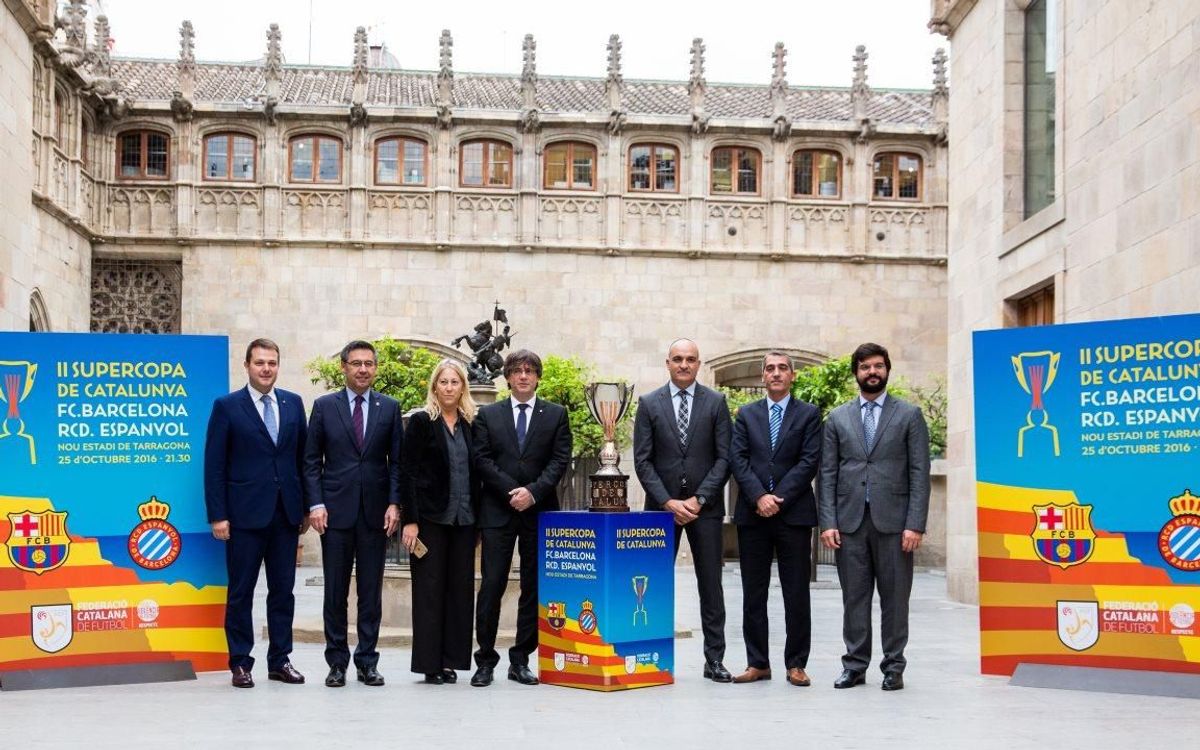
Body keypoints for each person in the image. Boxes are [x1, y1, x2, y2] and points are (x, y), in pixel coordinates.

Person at [818, 342, 930, 691]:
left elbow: (919, 472)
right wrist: (828, 522)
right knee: (855, 598)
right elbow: (827, 474)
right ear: (856, 373)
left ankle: (893, 667)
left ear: (887, 370)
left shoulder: (909, 415)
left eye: (878, 366)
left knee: (895, 600)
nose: (872, 372)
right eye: (865, 367)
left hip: (896, 525)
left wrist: (915, 523)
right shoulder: (837, 418)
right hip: (850, 523)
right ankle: (854, 665)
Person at [204, 338, 307, 689]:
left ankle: (280, 660)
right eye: (260, 362)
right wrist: (218, 515)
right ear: (247, 366)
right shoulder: (227, 407)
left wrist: (305, 508)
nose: (266, 369)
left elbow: (302, 460)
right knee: (241, 592)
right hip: (244, 517)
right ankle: (240, 662)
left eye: (272, 363)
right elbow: (214, 465)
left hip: (285, 515)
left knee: (283, 592)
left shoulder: (293, 404)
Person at [304, 340, 404, 688]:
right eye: (356, 363)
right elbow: (311, 461)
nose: (363, 369)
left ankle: (367, 661)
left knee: (370, 593)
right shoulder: (324, 406)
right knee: (335, 592)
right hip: (334, 513)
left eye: (369, 363)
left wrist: (395, 503)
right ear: (343, 367)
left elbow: (397, 465)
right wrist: (315, 503)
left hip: (376, 514)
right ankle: (336, 662)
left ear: (376, 368)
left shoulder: (389, 408)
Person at [633, 338, 733, 682]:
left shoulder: (717, 402)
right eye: (678, 359)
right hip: (662, 511)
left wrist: (699, 498)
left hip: (705, 509)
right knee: (652, 584)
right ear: (668, 363)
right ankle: (650, 658)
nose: (684, 365)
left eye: (690, 359)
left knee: (711, 584)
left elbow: (725, 458)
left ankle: (715, 660)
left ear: (699, 363)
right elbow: (642, 460)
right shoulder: (649, 404)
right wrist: (667, 501)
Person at [470, 350, 572, 687]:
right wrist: (513, 491)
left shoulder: (556, 415)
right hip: (498, 511)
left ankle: (521, 659)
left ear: (538, 376)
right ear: (508, 377)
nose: (523, 376)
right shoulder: (489, 415)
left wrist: (533, 493)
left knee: (534, 588)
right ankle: (485, 660)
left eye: (529, 371)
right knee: (492, 585)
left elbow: (559, 461)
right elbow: (482, 459)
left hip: (539, 513)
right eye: (517, 371)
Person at [729, 351, 822, 687]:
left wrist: (777, 498)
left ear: (792, 375)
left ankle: (796, 664)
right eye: (770, 369)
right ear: (762, 376)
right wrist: (759, 497)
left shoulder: (809, 415)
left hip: (793, 514)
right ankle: (758, 663)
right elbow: (737, 460)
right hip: (753, 515)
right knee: (754, 592)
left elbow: (809, 462)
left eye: (783, 368)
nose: (777, 373)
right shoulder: (746, 415)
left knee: (796, 592)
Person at [400, 359, 479, 685]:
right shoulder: (421, 422)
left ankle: (451, 661)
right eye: (443, 382)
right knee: (429, 592)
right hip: (430, 520)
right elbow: (408, 473)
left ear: (463, 387)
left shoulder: (472, 424)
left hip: (464, 521)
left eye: (454, 382)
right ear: (435, 387)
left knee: (459, 593)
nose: (449, 388)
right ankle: (430, 664)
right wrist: (411, 521)